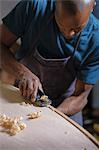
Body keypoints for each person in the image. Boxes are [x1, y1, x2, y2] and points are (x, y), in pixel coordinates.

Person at [0, 0, 99, 126]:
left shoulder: (96, 39)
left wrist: (53, 115)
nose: (68, 34)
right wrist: (22, 73)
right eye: (62, 26)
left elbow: (80, 96)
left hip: (66, 105)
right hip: (22, 95)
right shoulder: (34, 7)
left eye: (77, 29)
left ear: (92, 6)